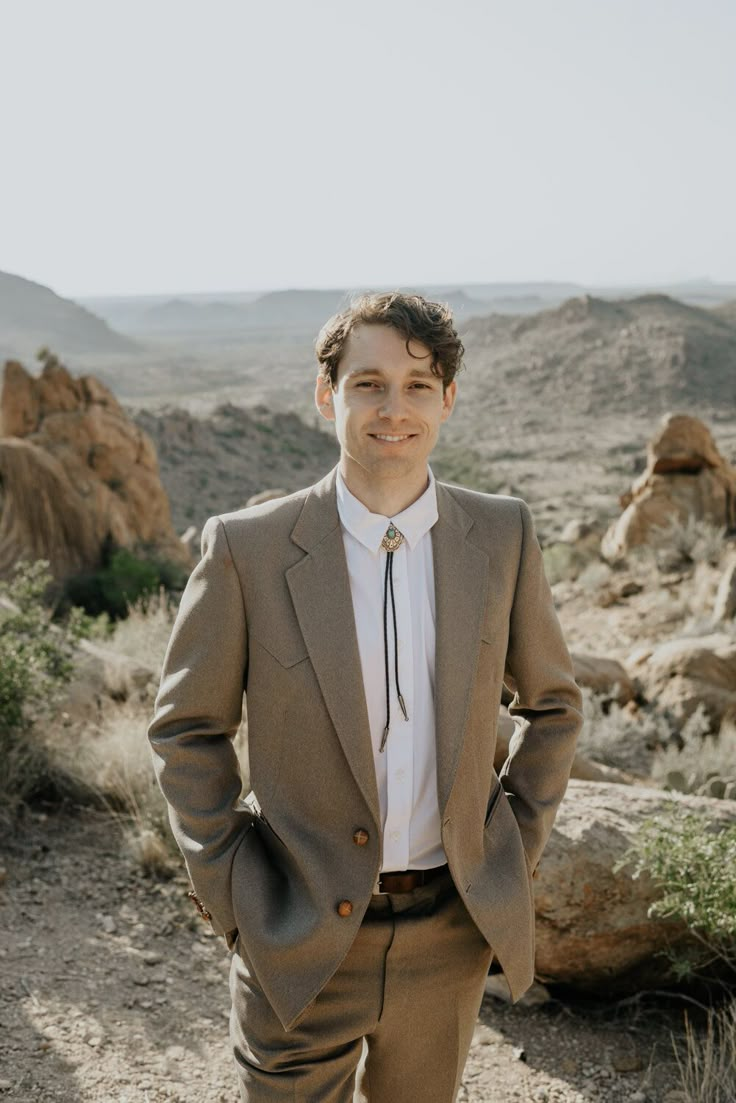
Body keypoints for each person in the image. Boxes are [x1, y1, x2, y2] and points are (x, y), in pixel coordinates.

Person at [148, 291, 583, 1102]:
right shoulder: (245, 548)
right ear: (327, 396)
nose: (395, 407)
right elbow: (185, 730)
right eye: (369, 383)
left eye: (420, 385)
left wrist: (507, 853)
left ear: (448, 401)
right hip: (296, 931)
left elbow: (553, 706)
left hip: (448, 933)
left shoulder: (502, 534)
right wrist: (235, 889)